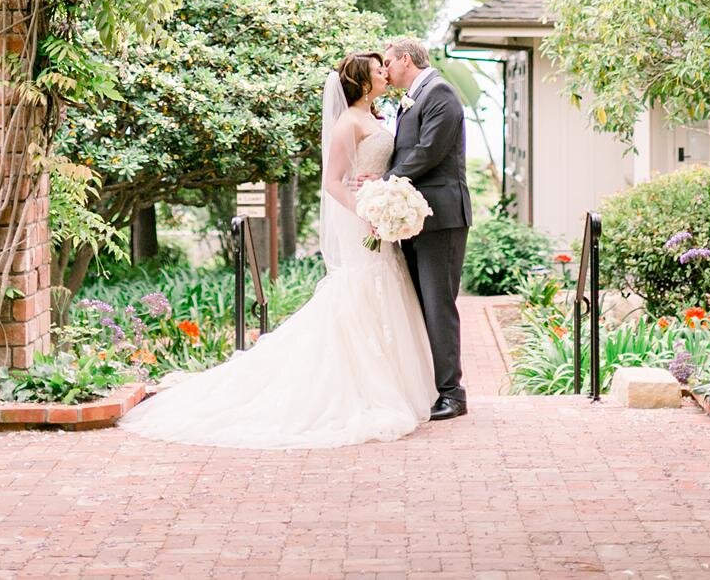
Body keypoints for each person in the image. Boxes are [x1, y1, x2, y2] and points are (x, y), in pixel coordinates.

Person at [121, 52, 436, 448]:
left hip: (377, 218)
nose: (385, 74)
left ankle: (391, 380)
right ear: (361, 81)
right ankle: (355, 386)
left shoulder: (377, 116)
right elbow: (333, 182)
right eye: (378, 71)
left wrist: (385, 196)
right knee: (357, 294)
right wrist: (367, 208)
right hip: (361, 220)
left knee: (383, 295)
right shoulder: (347, 123)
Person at [383, 37, 472, 422]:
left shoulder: (441, 94)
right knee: (420, 304)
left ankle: (453, 393)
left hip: (442, 217)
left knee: (438, 305)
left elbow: (429, 151)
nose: (385, 69)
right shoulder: (413, 99)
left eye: (388, 61)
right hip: (416, 217)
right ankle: (431, 387)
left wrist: (385, 181)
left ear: (406, 59)